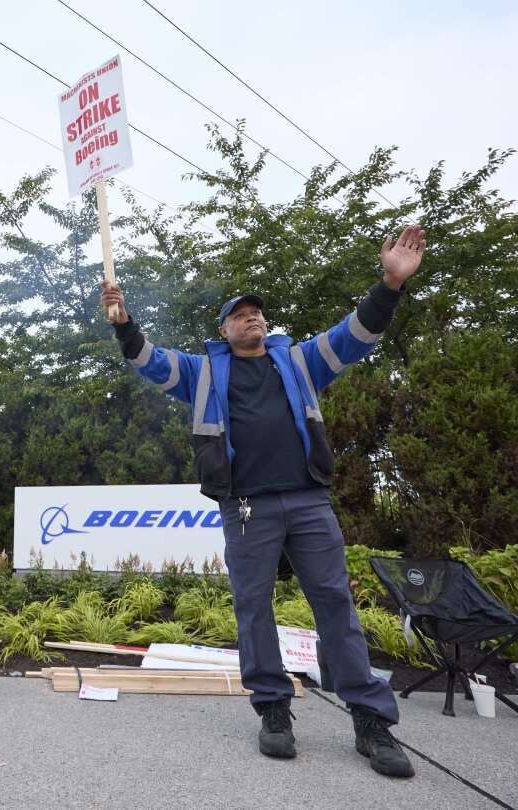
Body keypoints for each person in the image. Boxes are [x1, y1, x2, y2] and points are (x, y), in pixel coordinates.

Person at [99, 225, 428, 779]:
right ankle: (273, 710)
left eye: (258, 313)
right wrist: (124, 323)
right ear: (224, 329)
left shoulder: (300, 361)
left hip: (308, 503)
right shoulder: (203, 371)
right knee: (253, 609)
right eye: (240, 314)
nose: (252, 318)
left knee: (335, 608)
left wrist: (390, 283)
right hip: (245, 507)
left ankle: (371, 721)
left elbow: (354, 336)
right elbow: (150, 363)